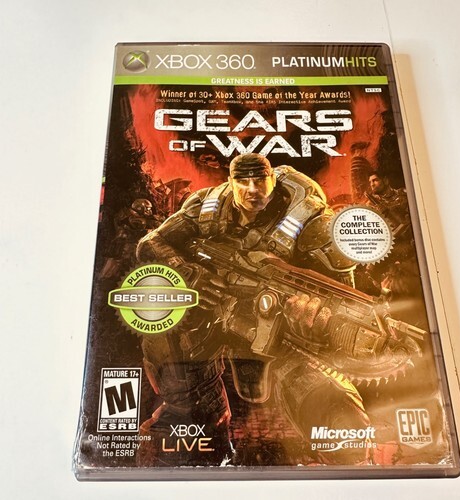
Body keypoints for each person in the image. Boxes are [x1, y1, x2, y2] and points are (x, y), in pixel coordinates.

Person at [135, 153, 371, 466]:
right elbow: (150, 244)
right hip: (212, 313)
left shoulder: (309, 220)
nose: (252, 189)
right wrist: (188, 272)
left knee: (342, 427)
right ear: (231, 182)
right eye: (243, 181)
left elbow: (345, 298)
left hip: (282, 330)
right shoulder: (206, 208)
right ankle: (199, 427)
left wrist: (319, 319)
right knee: (166, 341)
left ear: (272, 179)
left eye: (260, 180)